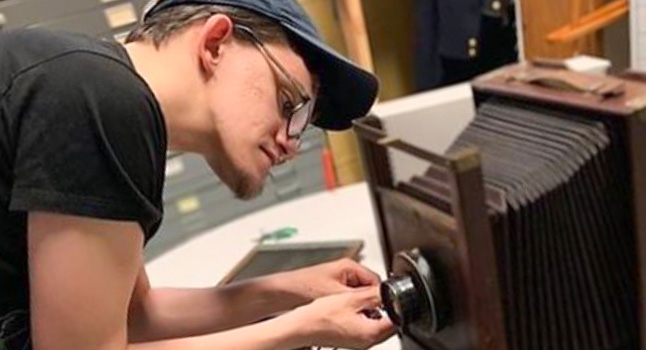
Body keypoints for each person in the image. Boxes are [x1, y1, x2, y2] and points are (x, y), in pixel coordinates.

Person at [0, 0, 395, 349]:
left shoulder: (92, 85)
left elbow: (136, 315)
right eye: (288, 102)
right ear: (215, 43)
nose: (291, 143)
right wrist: (305, 327)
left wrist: (292, 289)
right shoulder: (103, 100)